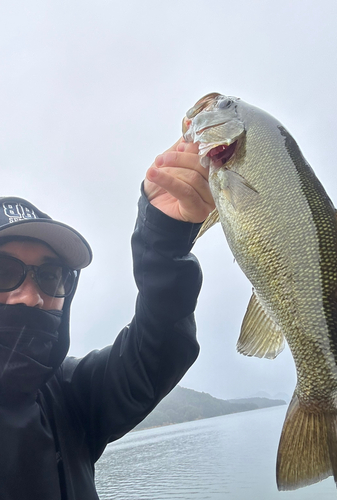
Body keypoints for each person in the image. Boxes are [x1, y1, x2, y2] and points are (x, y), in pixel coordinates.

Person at [0, 138, 215, 500]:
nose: (31, 296)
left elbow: (154, 350)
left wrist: (163, 237)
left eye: (51, 275)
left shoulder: (71, 395)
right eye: (5, 272)